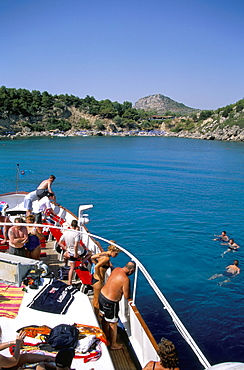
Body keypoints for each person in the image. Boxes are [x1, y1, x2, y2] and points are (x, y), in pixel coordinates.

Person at [99, 261, 136, 350]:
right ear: (131, 271)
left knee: (104, 317)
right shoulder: (125, 279)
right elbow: (126, 296)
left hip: (102, 296)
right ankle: (113, 344)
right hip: (110, 302)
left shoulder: (116, 269)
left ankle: (105, 334)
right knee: (113, 323)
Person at [91, 241, 120, 318]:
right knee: (97, 300)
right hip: (98, 281)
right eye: (116, 253)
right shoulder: (106, 258)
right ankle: (96, 317)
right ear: (112, 251)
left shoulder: (102, 254)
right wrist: (101, 278)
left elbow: (92, 257)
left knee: (95, 298)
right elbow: (96, 267)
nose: (116, 255)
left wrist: (96, 262)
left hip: (94, 278)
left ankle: (96, 314)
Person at [58, 219, 91, 285]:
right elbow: (76, 245)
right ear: (76, 226)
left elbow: (60, 243)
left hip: (70, 253)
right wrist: (75, 253)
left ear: (71, 225)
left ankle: (69, 282)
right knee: (89, 253)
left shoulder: (66, 232)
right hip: (78, 253)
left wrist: (66, 249)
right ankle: (82, 262)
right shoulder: (77, 234)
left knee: (71, 268)